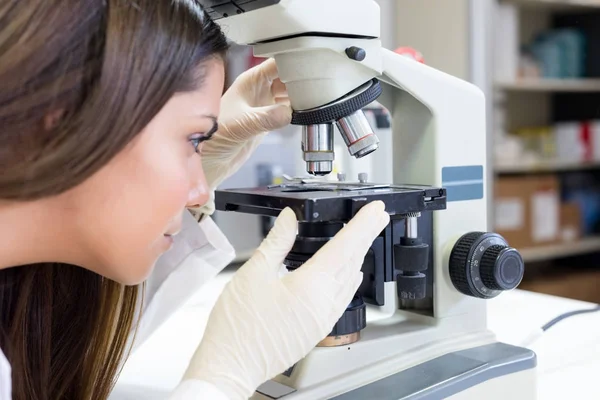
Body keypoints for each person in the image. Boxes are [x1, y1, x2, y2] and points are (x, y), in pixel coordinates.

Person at [0, 1, 390, 399]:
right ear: (62, 124)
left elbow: (68, 349)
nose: (202, 191)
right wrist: (223, 378)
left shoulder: (22, 297)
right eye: (194, 139)